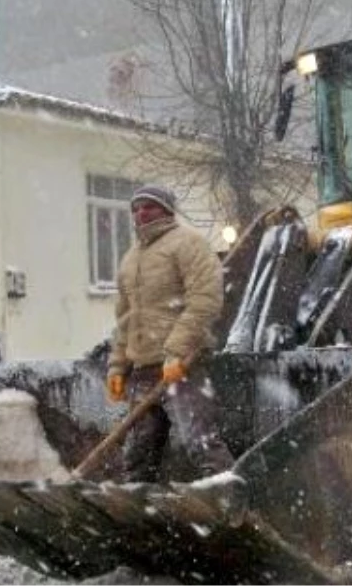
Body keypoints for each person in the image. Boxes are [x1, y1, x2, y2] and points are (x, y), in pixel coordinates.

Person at [106, 184, 235, 482]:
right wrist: (117, 366)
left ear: (166, 209)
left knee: (199, 442)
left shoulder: (187, 244)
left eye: (148, 206)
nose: (141, 213)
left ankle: (229, 496)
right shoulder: (130, 260)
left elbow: (205, 299)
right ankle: (138, 512)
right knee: (137, 454)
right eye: (136, 209)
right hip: (142, 370)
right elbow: (126, 320)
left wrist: (176, 351)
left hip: (182, 366)